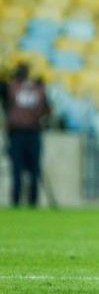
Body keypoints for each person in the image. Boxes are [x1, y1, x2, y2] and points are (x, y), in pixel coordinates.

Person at [1, 63, 51, 207]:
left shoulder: (11, 87)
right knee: (32, 170)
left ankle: (17, 201)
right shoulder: (39, 88)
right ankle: (31, 202)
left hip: (18, 133)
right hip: (32, 132)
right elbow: (47, 110)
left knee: (18, 169)